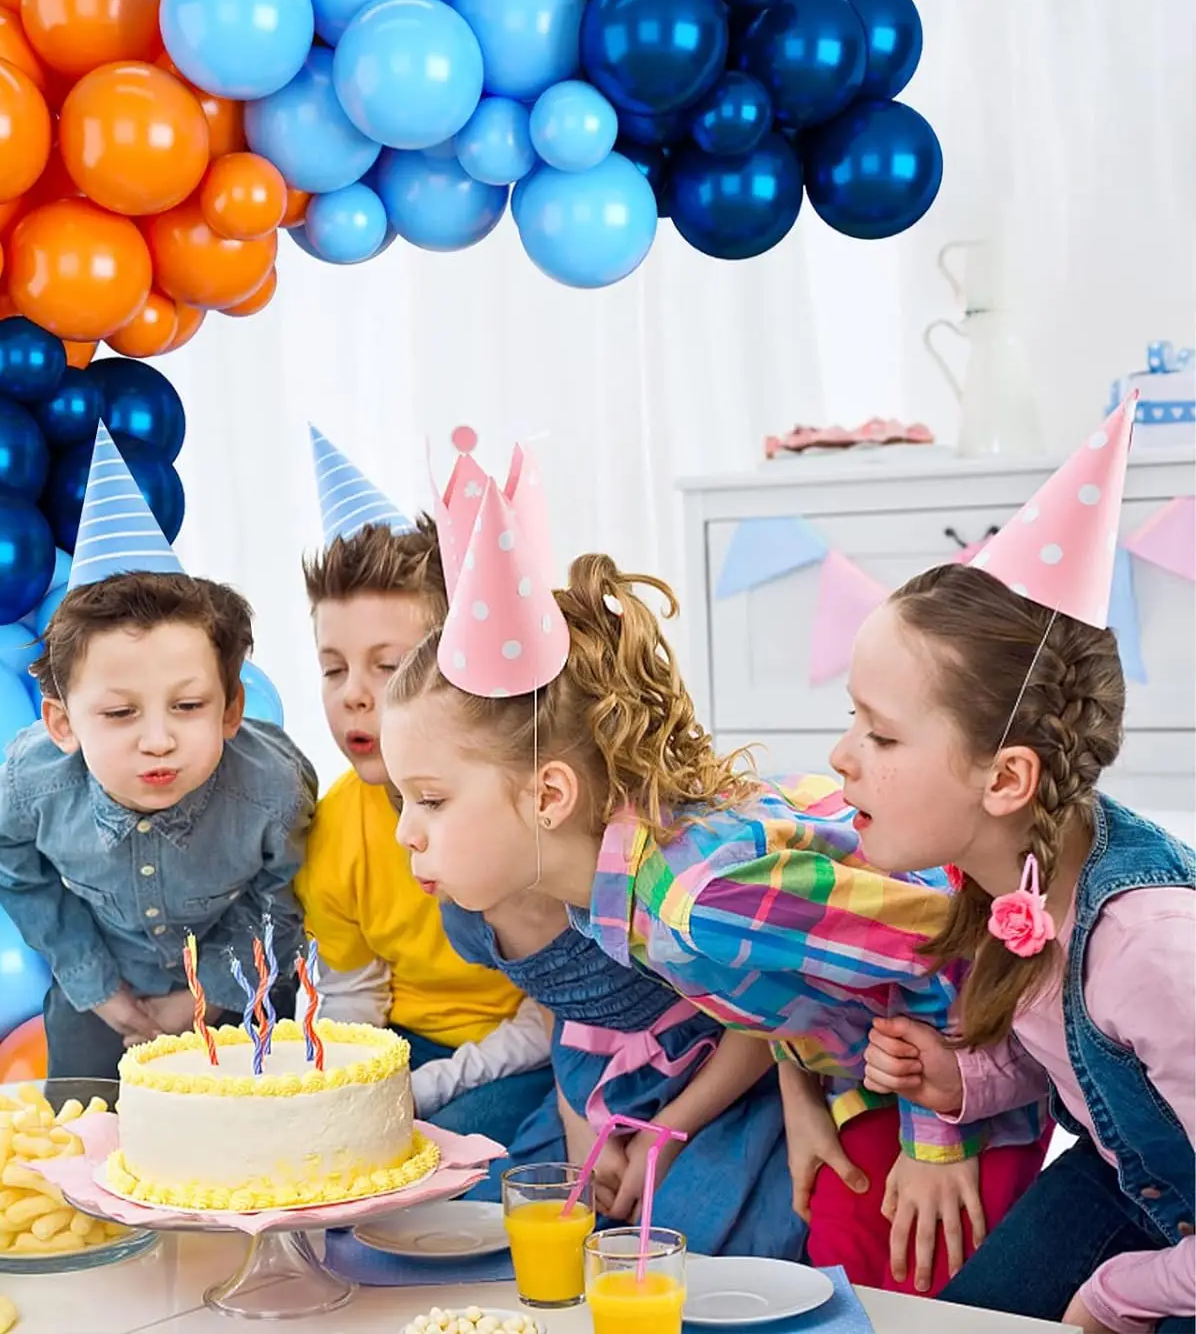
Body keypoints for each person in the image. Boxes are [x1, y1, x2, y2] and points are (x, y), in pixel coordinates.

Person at [379, 439, 1045, 1297]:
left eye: (428, 799)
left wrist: (937, 1138)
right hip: (864, 1073)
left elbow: (939, 943)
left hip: (978, 1078)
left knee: (884, 1289)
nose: (406, 834)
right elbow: (806, 978)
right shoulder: (605, 898)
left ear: (548, 795)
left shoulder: (698, 899)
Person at [852, 400, 1194, 1334]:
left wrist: (1120, 1293)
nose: (843, 758)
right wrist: (963, 1079)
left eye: (879, 733)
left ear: (1007, 777)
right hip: (1133, 1182)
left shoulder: (1151, 950)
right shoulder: (1011, 874)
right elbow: (1074, 1057)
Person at [0, 423, 316, 1080]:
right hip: (108, 984)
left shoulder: (272, 786)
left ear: (231, 709)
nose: (158, 739)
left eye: (188, 707)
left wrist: (211, 997)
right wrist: (98, 988)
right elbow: (10, 866)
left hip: (241, 983)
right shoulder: (32, 783)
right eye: (119, 712)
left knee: (250, 1137)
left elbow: (286, 895)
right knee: (85, 1127)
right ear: (62, 722)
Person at [295, 426, 552, 1145]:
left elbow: (556, 1012)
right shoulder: (336, 828)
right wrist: (357, 1094)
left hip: (523, 1051)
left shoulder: (515, 809)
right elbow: (352, 1007)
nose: (354, 695)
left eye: (389, 665)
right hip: (404, 1054)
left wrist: (430, 1089)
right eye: (333, 667)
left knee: (462, 1185)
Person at [441, 893, 805, 1258]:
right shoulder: (468, 916)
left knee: (687, 1239)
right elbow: (556, 1008)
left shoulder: (671, 885)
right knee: (501, 1227)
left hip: (717, 1094)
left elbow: (773, 1009)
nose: (408, 838)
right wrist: (581, 1124)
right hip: (591, 1097)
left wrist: (667, 1133)